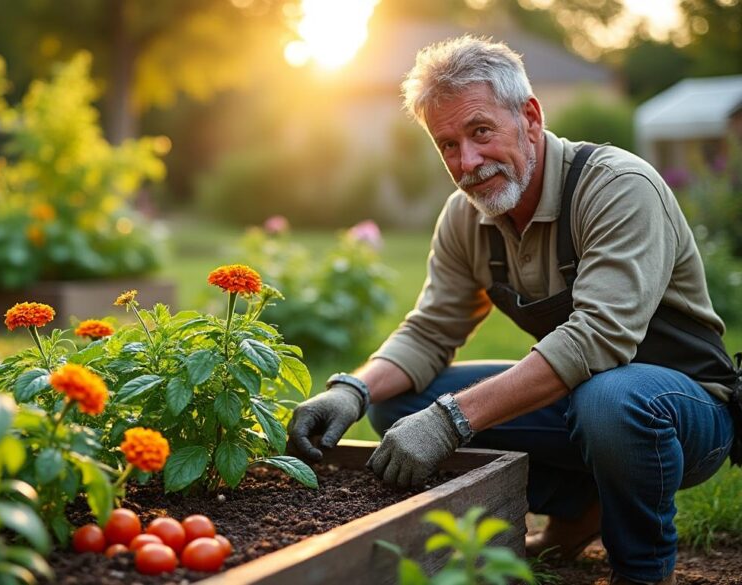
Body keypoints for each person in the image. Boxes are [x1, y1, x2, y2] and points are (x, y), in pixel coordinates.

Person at [286, 36, 741, 585]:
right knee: (401, 405)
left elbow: (597, 339)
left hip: (686, 412)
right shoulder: (465, 217)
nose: (467, 162)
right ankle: (577, 510)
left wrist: (452, 419)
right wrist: (351, 391)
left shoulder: (617, 187)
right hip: (584, 402)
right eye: (447, 144)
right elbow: (431, 330)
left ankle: (643, 570)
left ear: (529, 116)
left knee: (610, 397)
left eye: (480, 132)